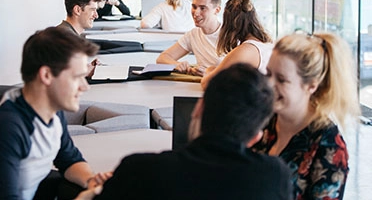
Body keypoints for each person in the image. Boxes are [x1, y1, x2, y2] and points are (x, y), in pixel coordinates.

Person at [77, 64, 293, 200]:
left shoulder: (141, 170)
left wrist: (95, 191)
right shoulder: (274, 176)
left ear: (198, 109)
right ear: (256, 137)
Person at [0, 27, 112, 200]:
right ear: (46, 75)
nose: (85, 86)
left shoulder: (51, 111)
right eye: (77, 77)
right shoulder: (7, 126)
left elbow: (69, 159)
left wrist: (91, 181)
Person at [252, 32, 361, 200]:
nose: (268, 84)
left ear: (311, 86)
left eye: (281, 80)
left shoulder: (328, 146)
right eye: (268, 74)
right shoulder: (261, 120)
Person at [200, 0, 272, 90]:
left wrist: (208, 71)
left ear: (229, 23)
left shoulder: (246, 50)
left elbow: (208, 84)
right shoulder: (267, 45)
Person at [156, 0, 222, 76]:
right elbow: (162, 58)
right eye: (194, 7)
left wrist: (210, 73)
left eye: (202, 8)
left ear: (217, 10)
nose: (196, 13)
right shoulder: (193, 35)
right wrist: (177, 64)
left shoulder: (231, 35)